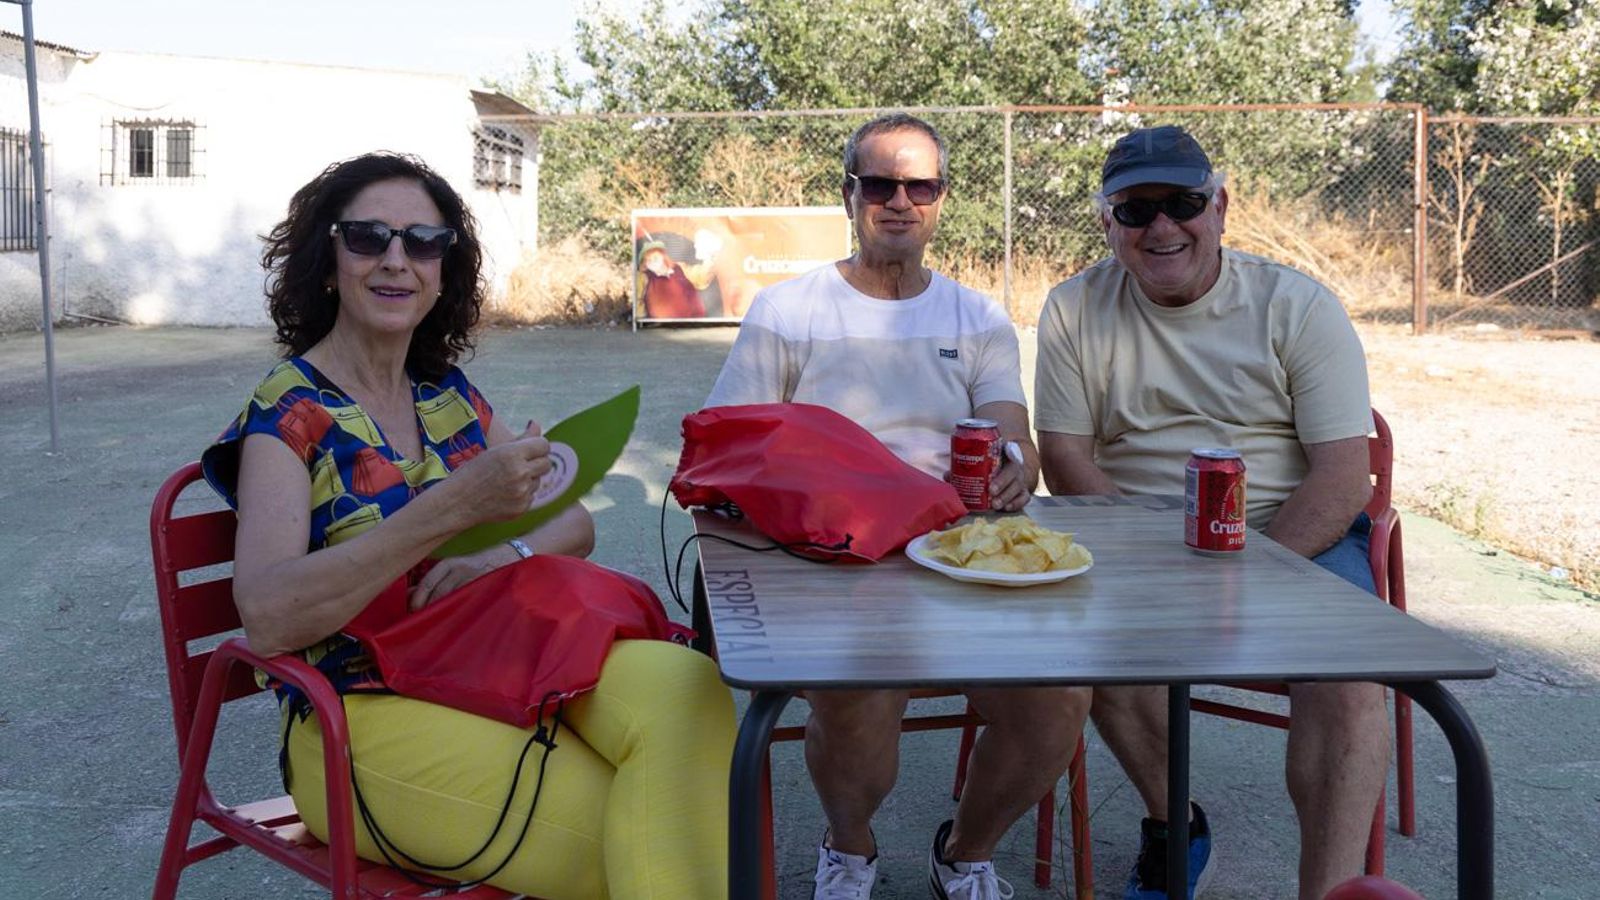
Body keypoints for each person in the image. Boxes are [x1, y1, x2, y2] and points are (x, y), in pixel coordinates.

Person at [200, 152, 734, 899]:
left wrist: (496, 555)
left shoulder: (445, 397)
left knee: (688, 686)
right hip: (356, 713)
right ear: (328, 260)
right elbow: (268, 616)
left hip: (478, 659)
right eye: (368, 238)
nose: (397, 260)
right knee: (634, 830)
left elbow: (571, 523)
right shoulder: (286, 415)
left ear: (443, 271)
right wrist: (453, 507)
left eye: (423, 242)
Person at [704, 113, 1091, 900]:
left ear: (942, 200)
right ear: (849, 195)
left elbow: (1013, 437)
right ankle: (850, 848)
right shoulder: (788, 311)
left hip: (955, 551)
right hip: (831, 558)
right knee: (859, 689)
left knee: (1059, 695)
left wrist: (1016, 470)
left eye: (921, 185)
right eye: (879, 183)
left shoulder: (976, 316)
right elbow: (728, 450)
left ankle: (965, 853)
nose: (900, 201)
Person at [1034, 125, 1387, 900]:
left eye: (1183, 203)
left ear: (1220, 205)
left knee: (1353, 681)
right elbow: (1064, 458)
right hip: (1134, 536)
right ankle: (1175, 825)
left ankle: (1328, 892)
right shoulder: (1072, 308)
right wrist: (1153, 563)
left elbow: (1340, 479)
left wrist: (1249, 573)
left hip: (1292, 533)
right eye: (1136, 210)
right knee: (1092, 645)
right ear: (1108, 222)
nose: (1162, 227)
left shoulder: (1298, 305)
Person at [638, 239, 707, 318]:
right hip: (664, 327)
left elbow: (698, 283)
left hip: (694, 323)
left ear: (663, 256)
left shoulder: (680, 268)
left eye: (655, 257)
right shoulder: (645, 279)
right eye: (648, 261)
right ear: (645, 266)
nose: (653, 261)